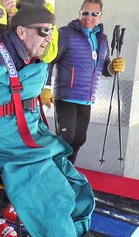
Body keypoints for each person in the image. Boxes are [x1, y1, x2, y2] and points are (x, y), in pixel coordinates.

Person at [0, 0, 96, 237]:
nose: (48, 38)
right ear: (21, 31)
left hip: (26, 131)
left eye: (51, 31)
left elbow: (40, 60)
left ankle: (77, 232)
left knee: (77, 186)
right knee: (51, 195)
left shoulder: (26, 52)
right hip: (4, 138)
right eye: (44, 31)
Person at [0, 0, 59, 237]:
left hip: (20, 105)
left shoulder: (39, 16)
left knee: (49, 152)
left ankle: (8, 200)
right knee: (20, 158)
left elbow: (48, 52)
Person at [44, 0, 125, 165]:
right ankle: (53, 173)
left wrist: (112, 67)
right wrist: (46, 87)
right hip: (66, 97)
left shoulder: (102, 39)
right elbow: (49, 60)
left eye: (94, 14)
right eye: (85, 13)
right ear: (79, 13)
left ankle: (68, 172)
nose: (89, 17)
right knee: (65, 140)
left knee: (79, 140)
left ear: (100, 16)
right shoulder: (65, 33)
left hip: (87, 99)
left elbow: (104, 68)